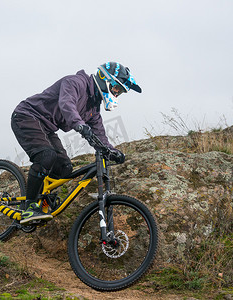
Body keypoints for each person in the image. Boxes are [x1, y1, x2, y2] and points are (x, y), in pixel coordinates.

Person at [11, 62, 142, 225]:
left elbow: (100, 134)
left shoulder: (93, 108)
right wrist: (79, 124)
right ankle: (29, 207)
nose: (116, 93)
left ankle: (42, 201)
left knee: (64, 168)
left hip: (46, 128)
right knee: (46, 156)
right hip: (27, 116)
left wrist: (112, 151)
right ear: (105, 79)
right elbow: (67, 104)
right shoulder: (75, 82)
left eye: (120, 92)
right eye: (117, 88)